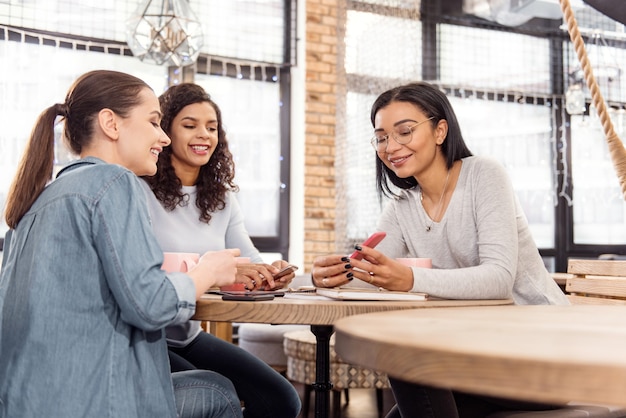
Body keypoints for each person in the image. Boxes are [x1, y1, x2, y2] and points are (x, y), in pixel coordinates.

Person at [311, 81, 570, 417]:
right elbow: (372, 274)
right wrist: (335, 275)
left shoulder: (483, 175)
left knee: (405, 353)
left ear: (439, 131)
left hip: (544, 355)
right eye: (381, 137)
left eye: (404, 131)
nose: (391, 146)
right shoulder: (402, 206)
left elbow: (498, 278)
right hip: (478, 355)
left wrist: (407, 278)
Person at [0, 70, 244, 418]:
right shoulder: (113, 181)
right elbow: (150, 305)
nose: (162, 137)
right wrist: (207, 271)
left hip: (30, 401)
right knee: (219, 390)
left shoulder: (42, 198)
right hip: (94, 402)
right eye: (154, 122)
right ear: (110, 124)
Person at [141, 82, 302, 418]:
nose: (204, 135)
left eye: (211, 127)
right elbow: (142, 272)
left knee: (282, 399)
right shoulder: (139, 190)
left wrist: (271, 274)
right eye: (190, 125)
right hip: (147, 337)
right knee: (217, 390)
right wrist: (210, 269)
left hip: (187, 334)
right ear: (165, 131)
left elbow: (248, 260)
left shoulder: (222, 198)